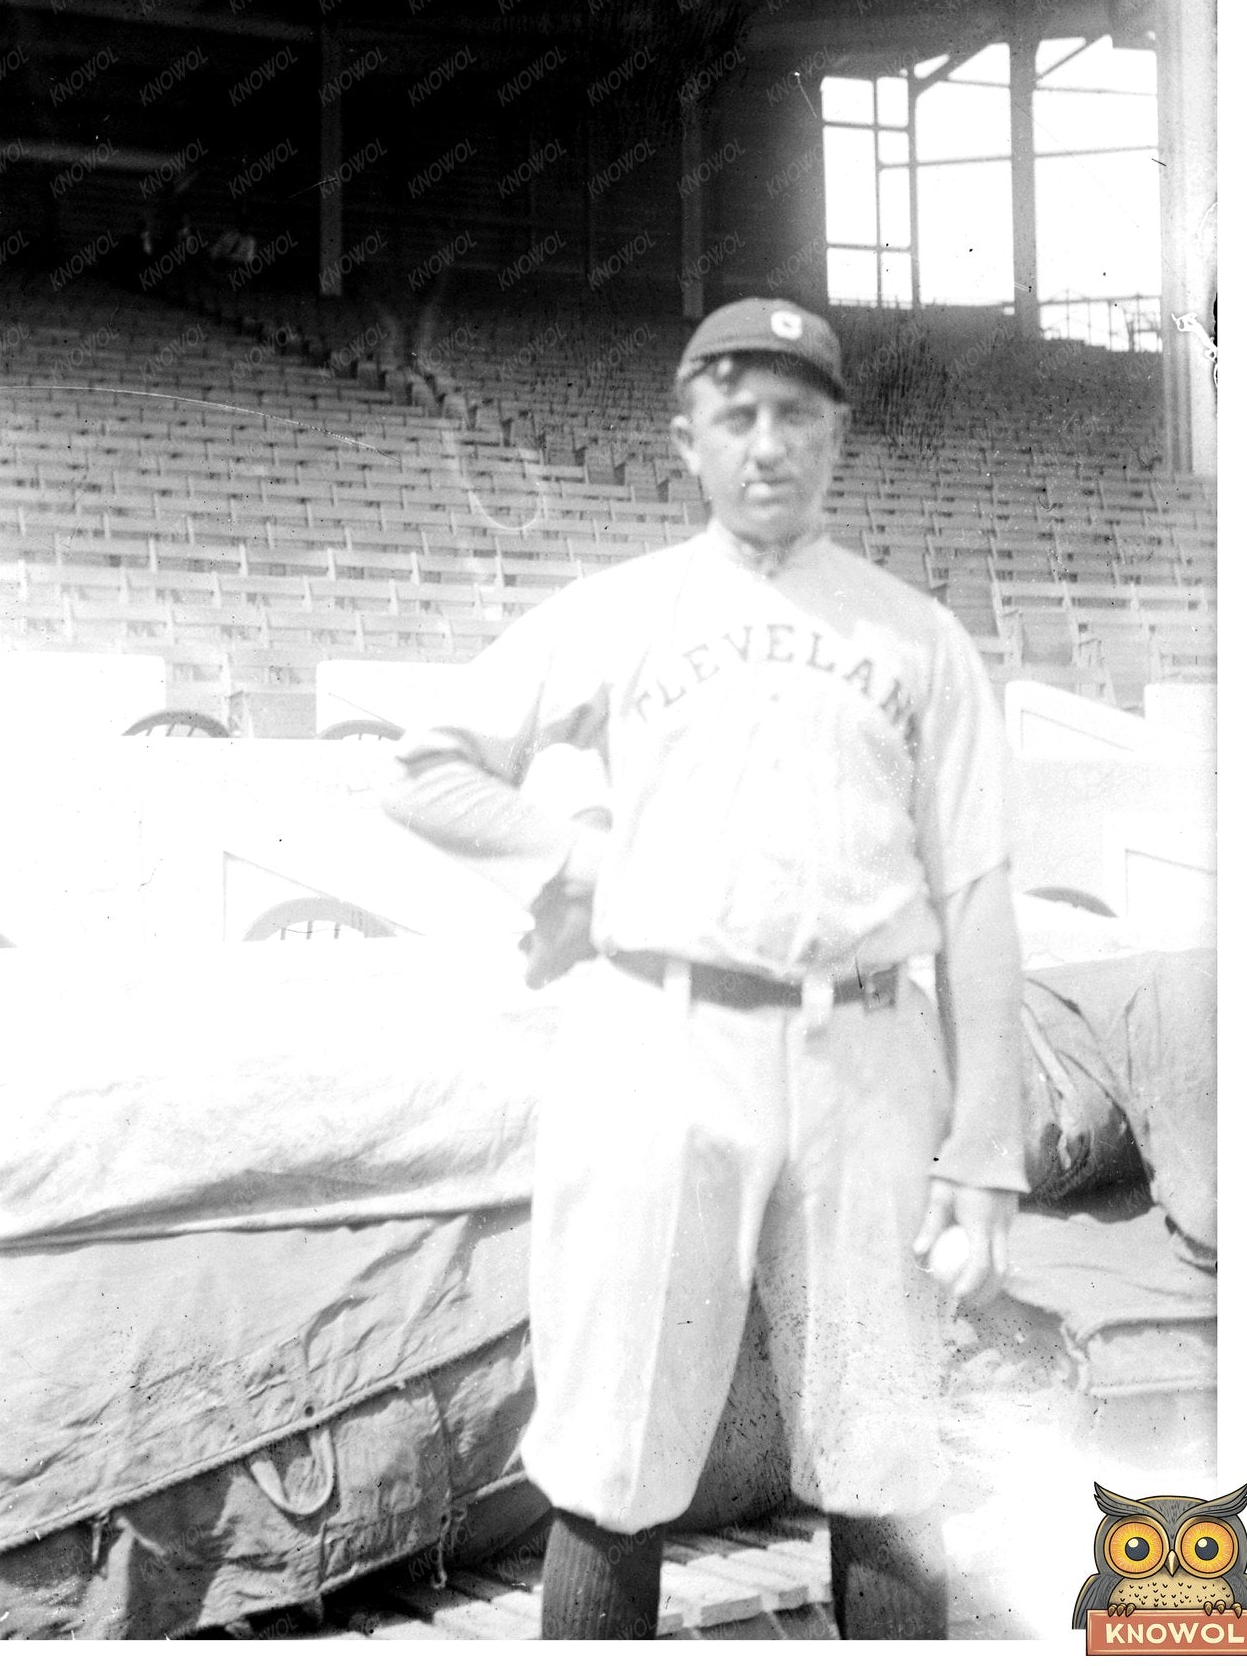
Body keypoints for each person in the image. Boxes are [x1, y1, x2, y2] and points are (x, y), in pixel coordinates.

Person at [380, 297, 1027, 1639]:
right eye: (736, 416)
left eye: (797, 414)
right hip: (661, 1046)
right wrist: (579, 860)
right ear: (686, 441)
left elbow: (972, 899)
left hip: (862, 1058)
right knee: (615, 1451)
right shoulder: (619, 612)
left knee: (884, 1446)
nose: (768, 444)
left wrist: (984, 1150)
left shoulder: (918, 638)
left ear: (837, 436)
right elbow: (425, 768)